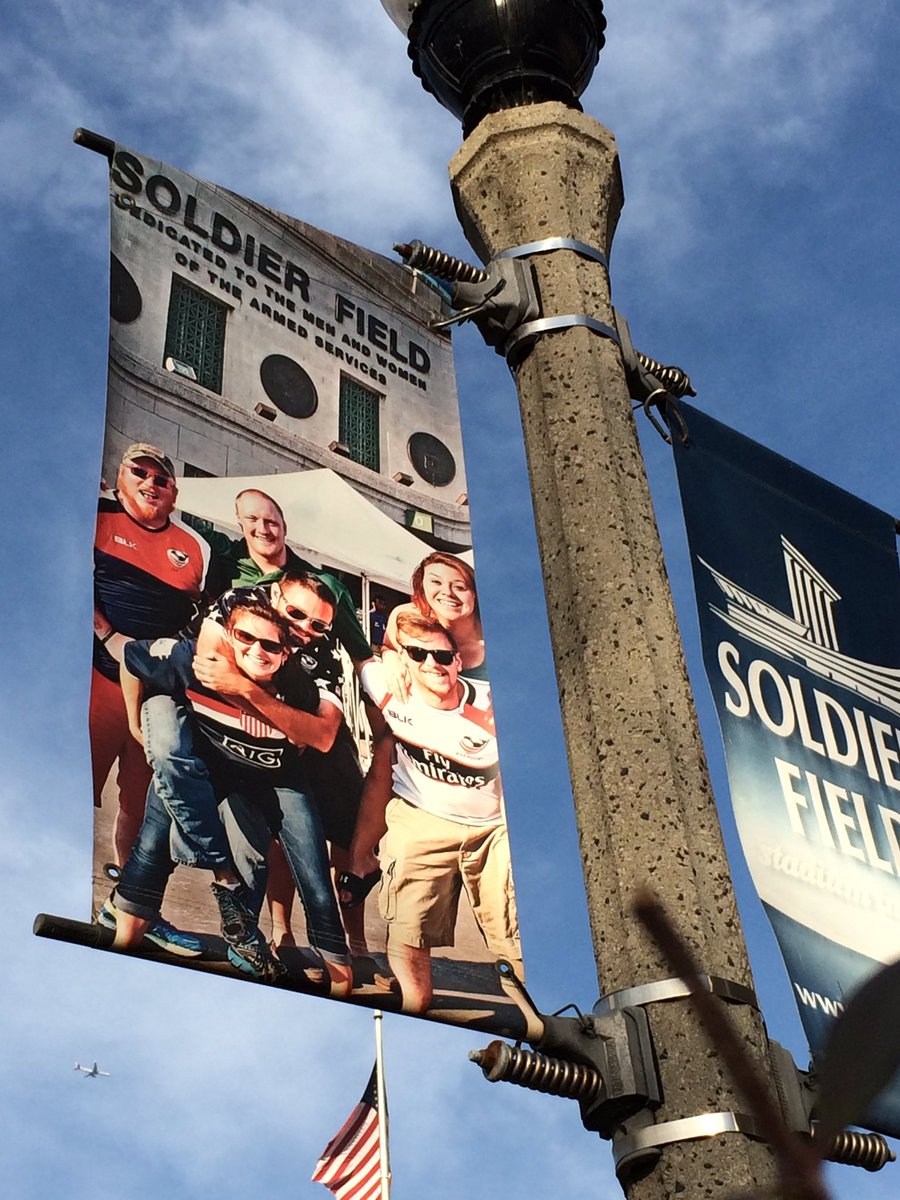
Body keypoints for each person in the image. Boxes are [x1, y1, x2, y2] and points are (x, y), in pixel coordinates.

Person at [103, 597, 352, 992]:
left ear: (286, 654)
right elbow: (132, 657)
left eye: (271, 645)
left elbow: (322, 736)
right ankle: (128, 918)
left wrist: (249, 693)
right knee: (159, 823)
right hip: (211, 759)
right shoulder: (198, 662)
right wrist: (136, 725)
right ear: (227, 636)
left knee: (265, 857)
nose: (257, 649)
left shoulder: (301, 685)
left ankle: (248, 940)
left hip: (263, 775)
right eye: (245, 638)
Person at [355, 612, 522, 1014]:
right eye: (418, 654)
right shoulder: (385, 683)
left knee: (512, 933)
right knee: (409, 926)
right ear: (403, 659)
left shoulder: (493, 705)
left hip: (491, 827)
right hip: (421, 815)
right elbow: (359, 639)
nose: (433, 664)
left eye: (443, 656)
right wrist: (388, 653)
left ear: (459, 661)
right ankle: (416, 1003)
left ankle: (536, 1017)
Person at [91, 442, 212, 873]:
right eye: (139, 473)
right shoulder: (97, 517)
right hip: (97, 682)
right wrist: (106, 634)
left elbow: (204, 613)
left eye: (161, 479)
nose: (150, 484)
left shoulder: (194, 547)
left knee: (142, 801)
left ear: (174, 494)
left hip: (155, 699)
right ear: (120, 476)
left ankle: (128, 891)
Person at [341, 553, 484, 899]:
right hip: (429, 713)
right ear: (422, 591)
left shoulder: (493, 642)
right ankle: (361, 859)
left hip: (478, 722)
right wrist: (392, 658)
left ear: (475, 593)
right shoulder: (407, 618)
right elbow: (390, 645)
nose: (446, 593)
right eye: (435, 583)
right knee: (386, 751)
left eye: (458, 586)